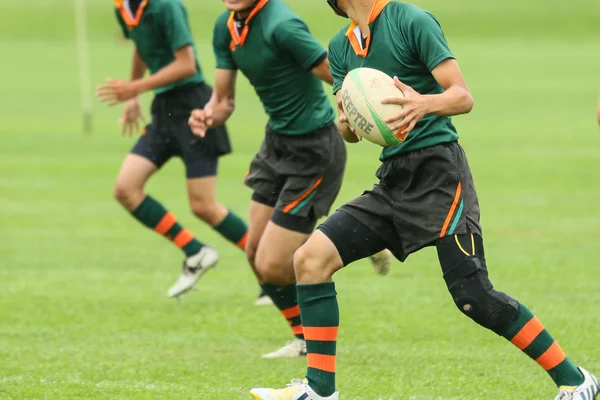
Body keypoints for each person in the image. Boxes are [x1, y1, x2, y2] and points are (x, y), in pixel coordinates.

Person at [249, 0, 600, 399]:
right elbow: (352, 132)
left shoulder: (410, 20)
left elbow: (462, 96)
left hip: (440, 175)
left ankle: (576, 381)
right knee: (310, 259)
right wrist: (347, 123)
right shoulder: (341, 48)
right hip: (394, 179)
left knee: (474, 297)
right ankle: (319, 390)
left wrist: (423, 103)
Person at [189, 0, 392, 358]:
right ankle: (303, 339)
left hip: (314, 149)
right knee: (255, 254)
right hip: (275, 144)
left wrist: (363, 110)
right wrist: (207, 115)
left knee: (272, 263)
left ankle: (360, 239)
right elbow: (223, 101)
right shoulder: (226, 27)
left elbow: (341, 75)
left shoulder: (282, 25)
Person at [96, 0, 250, 299]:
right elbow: (142, 47)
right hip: (163, 110)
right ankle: (196, 252)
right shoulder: (123, 8)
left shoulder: (166, 6)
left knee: (203, 206)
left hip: (193, 107)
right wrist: (132, 95)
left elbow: (186, 64)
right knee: (126, 189)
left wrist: (135, 88)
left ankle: (269, 267)